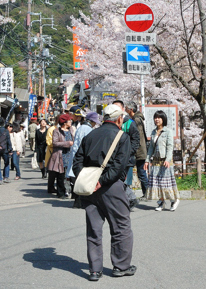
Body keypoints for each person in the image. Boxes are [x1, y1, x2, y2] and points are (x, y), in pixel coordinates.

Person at [72, 104, 136, 281]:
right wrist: (102, 181)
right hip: (111, 186)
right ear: (119, 119)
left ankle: (94, 270)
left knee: (94, 229)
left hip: (89, 188)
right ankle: (121, 266)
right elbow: (119, 166)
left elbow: (76, 161)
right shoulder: (121, 137)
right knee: (121, 226)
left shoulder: (91, 134)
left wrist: (86, 179)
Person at [145, 110, 180, 211]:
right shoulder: (153, 132)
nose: (157, 119)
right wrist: (147, 160)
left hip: (165, 161)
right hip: (155, 160)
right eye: (155, 117)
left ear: (163, 119)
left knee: (166, 183)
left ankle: (173, 200)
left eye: (159, 118)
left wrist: (168, 160)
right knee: (156, 182)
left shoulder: (168, 131)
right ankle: (161, 202)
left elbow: (170, 147)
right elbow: (151, 148)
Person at [66, 112, 99, 208]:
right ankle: (80, 203)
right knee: (82, 181)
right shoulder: (88, 130)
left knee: (77, 181)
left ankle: (77, 202)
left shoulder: (80, 128)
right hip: (82, 158)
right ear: (91, 122)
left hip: (75, 157)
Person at [125, 102, 149, 200]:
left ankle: (147, 193)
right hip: (139, 150)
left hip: (139, 151)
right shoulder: (136, 119)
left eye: (126, 108)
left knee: (141, 173)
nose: (125, 110)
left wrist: (134, 149)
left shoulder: (136, 120)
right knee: (140, 173)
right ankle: (146, 193)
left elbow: (137, 137)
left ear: (131, 110)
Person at [49, 114, 74, 198]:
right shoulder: (57, 131)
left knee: (69, 174)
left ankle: (70, 191)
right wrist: (67, 143)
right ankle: (60, 193)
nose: (71, 122)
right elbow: (55, 143)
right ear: (64, 122)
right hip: (60, 155)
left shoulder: (71, 130)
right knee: (60, 175)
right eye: (69, 120)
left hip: (69, 154)